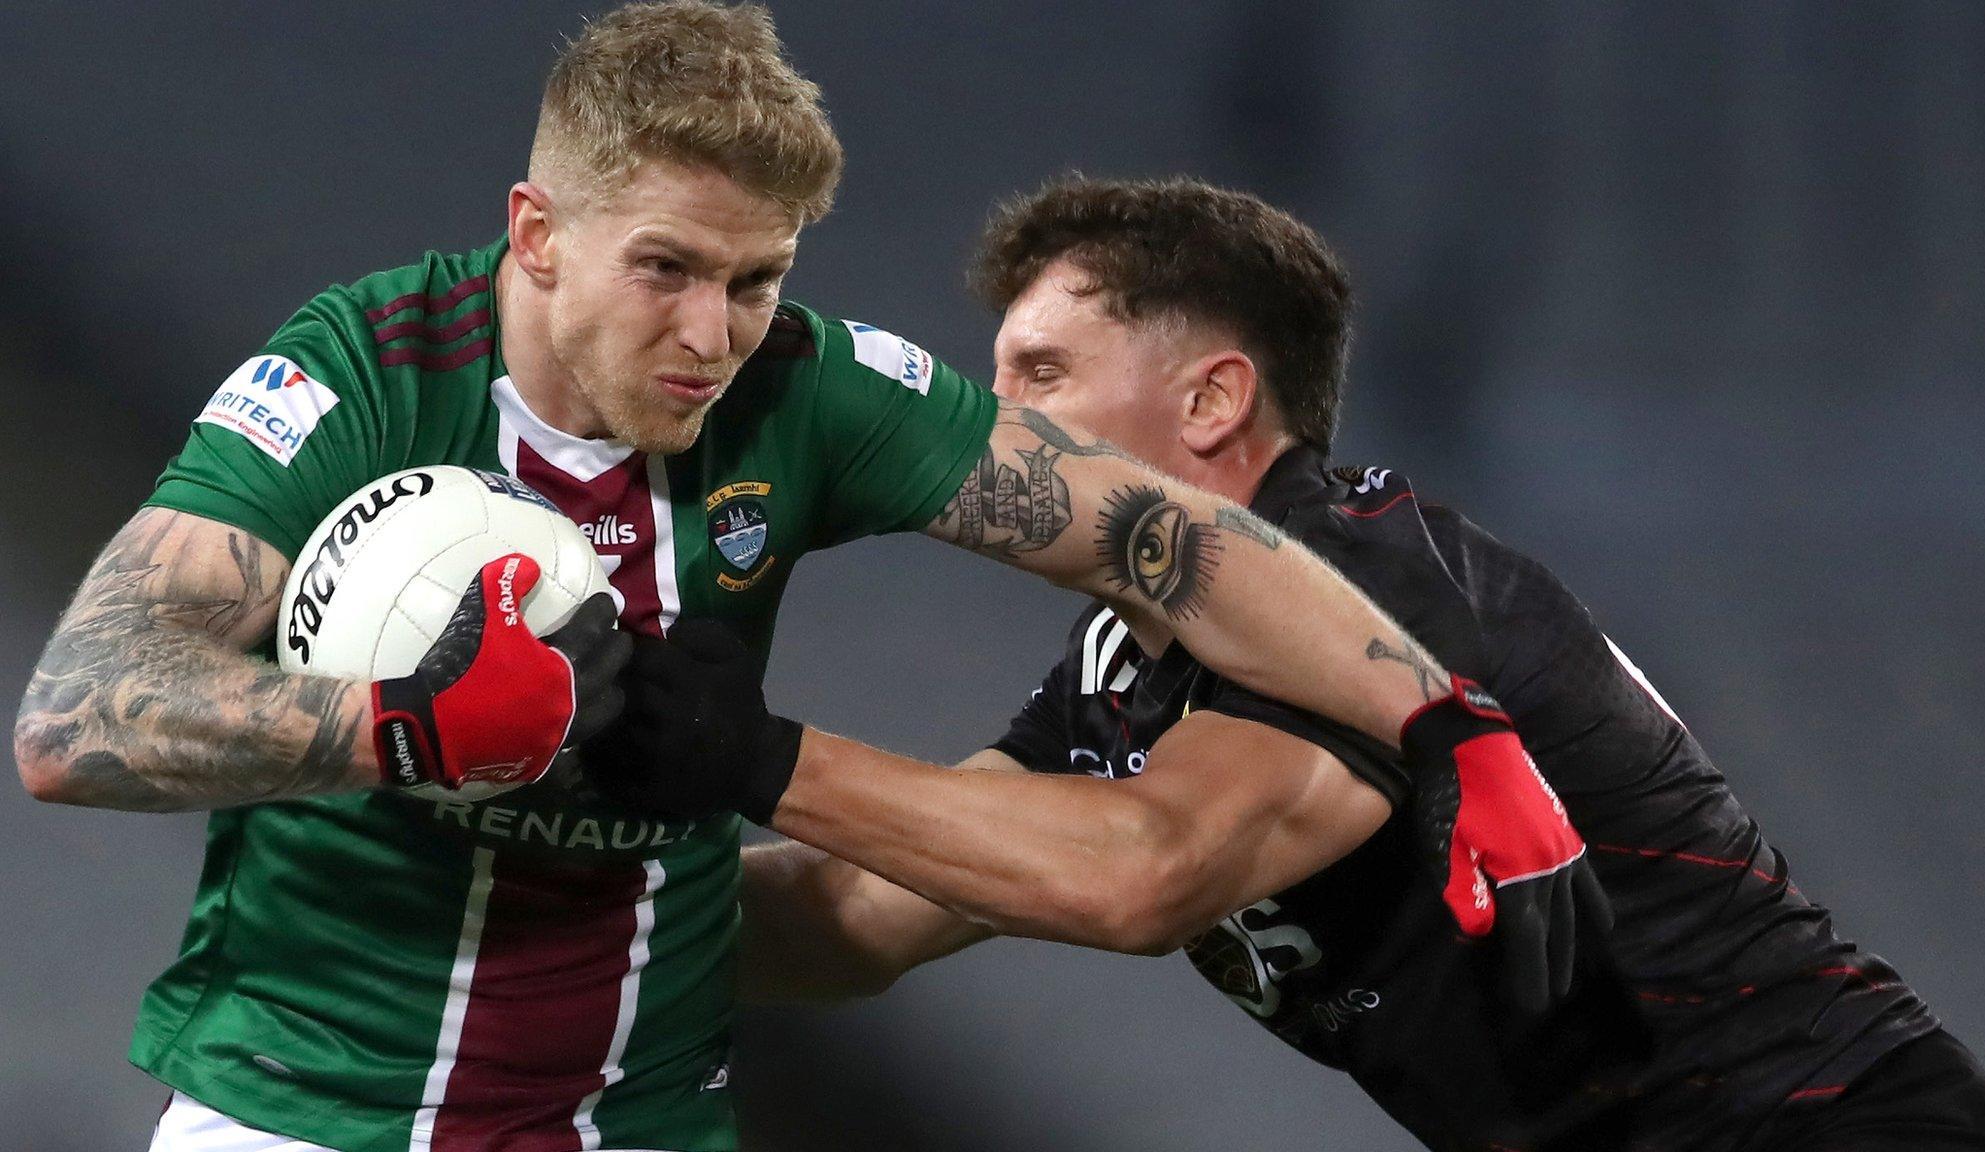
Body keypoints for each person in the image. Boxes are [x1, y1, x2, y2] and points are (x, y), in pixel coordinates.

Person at [7, 7, 1586, 1152]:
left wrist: (1447, 717)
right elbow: (75, 721)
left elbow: (1173, 541)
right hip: (300, 1113)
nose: (714, 333)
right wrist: (404, 727)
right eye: (668, 270)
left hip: (643, 1125)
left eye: (757, 278)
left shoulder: (807, 392)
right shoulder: (359, 373)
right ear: (538, 233)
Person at [610, 177, 1985, 1151]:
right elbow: (862, 909)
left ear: (1216, 397)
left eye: (1041, 374)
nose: (998, 424)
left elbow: (1141, 872)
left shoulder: (1363, 587)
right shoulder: (1130, 657)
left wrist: (758, 757)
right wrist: (538, 890)